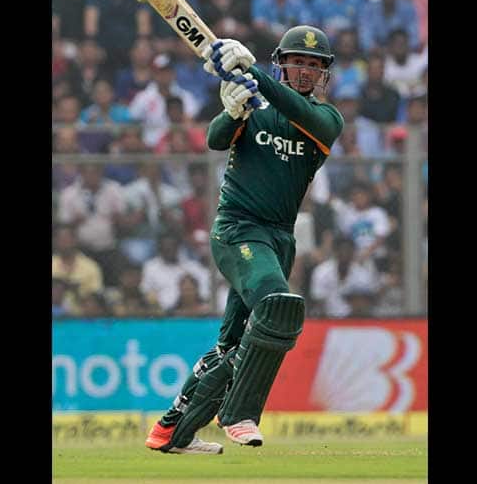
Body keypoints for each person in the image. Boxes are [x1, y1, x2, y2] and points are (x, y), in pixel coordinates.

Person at [144, 25, 343, 454]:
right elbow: (216, 140)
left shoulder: (326, 120)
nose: (305, 71)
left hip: (279, 239)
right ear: (282, 63)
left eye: (314, 65)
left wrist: (253, 73)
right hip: (237, 228)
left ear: (324, 73)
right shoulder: (254, 107)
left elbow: (299, 112)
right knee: (278, 304)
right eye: (297, 62)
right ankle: (239, 412)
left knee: (231, 344)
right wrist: (233, 113)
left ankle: (170, 431)